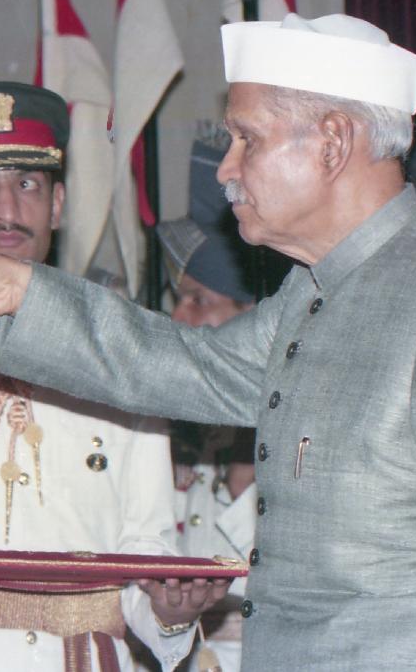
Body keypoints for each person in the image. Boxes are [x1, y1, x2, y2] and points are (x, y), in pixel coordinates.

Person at [0, 13, 416, 670]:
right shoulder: (313, 292)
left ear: (331, 143)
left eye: (247, 139)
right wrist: (23, 291)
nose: (226, 170)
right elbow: (184, 365)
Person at [0, 81, 219, 671]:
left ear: (58, 203)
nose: (7, 211)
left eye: (28, 185)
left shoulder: (120, 352)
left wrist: (169, 612)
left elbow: (145, 546)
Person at [157, 133, 278, 672]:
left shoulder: (291, 421)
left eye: (199, 300)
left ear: (250, 319)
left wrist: (244, 477)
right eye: (178, 299)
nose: (179, 317)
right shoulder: (179, 425)